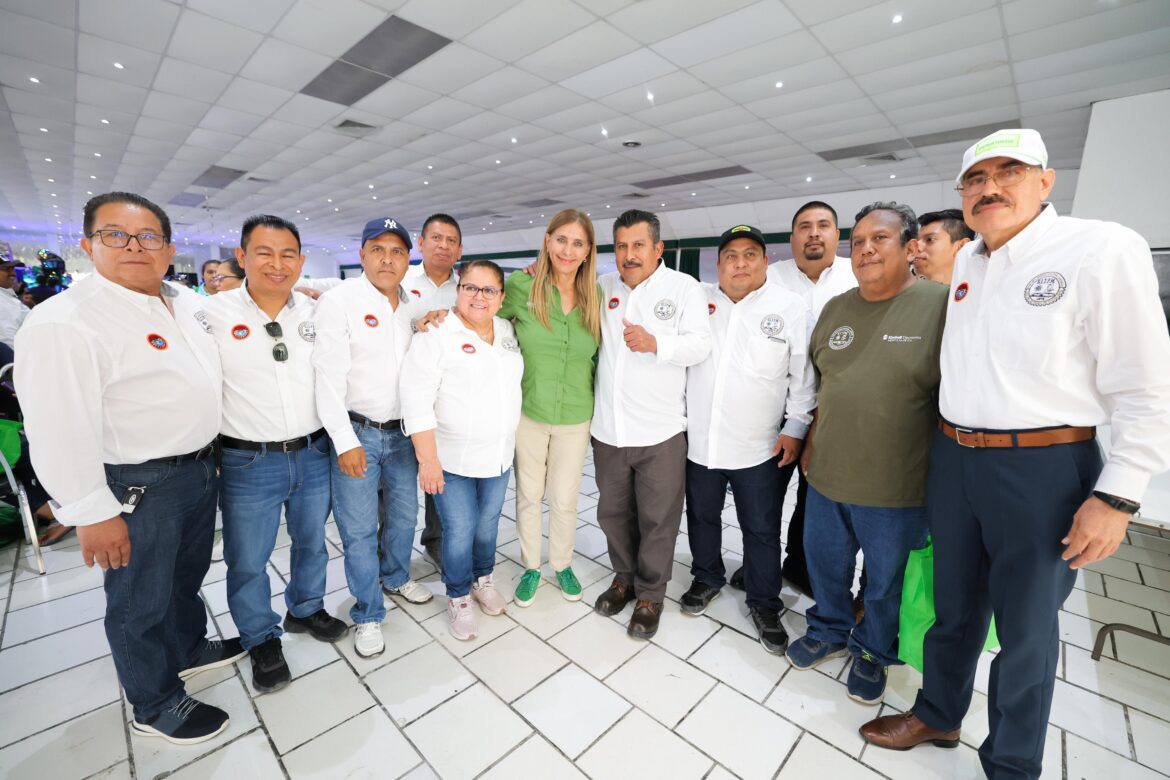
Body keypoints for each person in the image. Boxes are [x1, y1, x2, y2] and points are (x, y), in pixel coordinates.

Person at [861, 128, 1170, 780]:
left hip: (1043, 470)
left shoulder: (1099, 248)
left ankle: (1011, 764)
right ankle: (939, 713)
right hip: (956, 461)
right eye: (975, 179)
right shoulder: (970, 263)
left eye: (1010, 171)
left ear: (1045, 181)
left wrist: (1116, 496)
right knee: (954, 610)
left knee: (1026, 634)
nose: (990, 187)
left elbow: (1147, 387)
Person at [15, 192, 243, 744]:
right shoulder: (63, 321)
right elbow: (56, 424)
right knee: (138, 598)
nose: (134, 247)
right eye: (116, 235)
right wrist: (91, 510)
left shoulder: (183, 300)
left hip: (194, 468)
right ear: (88, 244)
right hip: (136, 484)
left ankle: (187, 647)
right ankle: (154, 700)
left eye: (149, 238)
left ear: (168, 248)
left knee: (184, 579)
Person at [785, 202, 947, 706]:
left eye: (880, 239)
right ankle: (829, 629)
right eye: (858, 243)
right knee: (825, 566)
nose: (866, 250)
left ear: (909, 247)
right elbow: (823, 386)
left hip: (897, 487)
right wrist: (810, 443)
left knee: (884, 583)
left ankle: (875, 651)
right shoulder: (838, 308)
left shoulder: (939, 307)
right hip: (828, 476)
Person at [204, 215, 346, 694]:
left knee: (312, 541)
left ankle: (305, 608)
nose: (277, 263)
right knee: (248, 557)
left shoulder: (315, 313)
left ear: (302, 261)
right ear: (242, 257)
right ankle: (260, 636)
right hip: (248, 460)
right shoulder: (212, 315)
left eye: (288, 254)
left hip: (312, 451)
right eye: (264, 252)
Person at [681, 224, 815, 654]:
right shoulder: (698, 301)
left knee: (760, 529)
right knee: (701, 518)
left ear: (765, 260)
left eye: (750, 254)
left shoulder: (790, 308)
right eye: (731, 256)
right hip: (702, 443)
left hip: (759, 446)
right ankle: (706, 578)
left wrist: (795, 429)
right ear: (718, 264)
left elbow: (804, 378)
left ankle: (763, 601)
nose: (740, 263)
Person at [312, 217, 432, 659]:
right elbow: (326, 380)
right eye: (377, 249)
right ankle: (367, 611)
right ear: (361, 254)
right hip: (358, 431)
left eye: (397, 250)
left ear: (407, 258)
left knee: (403, 518)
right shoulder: (339, 301)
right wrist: (344, 441)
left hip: (402, 435)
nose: (387, 258)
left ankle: (396, 576)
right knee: (359, 531)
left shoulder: (413, 303)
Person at [592, 209, 712, 639]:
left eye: (638, 245)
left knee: (659, 518)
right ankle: (623, 579)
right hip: (608, 431)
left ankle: (650, 595)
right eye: (621, 246)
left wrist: (656, 342)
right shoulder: (604, 286)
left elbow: (700, 344)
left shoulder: (684, 288)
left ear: (658, 248)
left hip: (660, 432)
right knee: (612, 514)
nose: (629, 255)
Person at [401, 260, 522, 640]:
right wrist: (428, 460)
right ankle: (458, 596)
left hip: (499, 455)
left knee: (487, 526)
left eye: (488, 290)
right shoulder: (436, 334)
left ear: (501, 297)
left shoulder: (506, 331)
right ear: (458, 291)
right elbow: (415, 400)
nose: (479, 297)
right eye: (470, 287)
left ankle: (481, 580)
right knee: (458, 530)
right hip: (450, 459)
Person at [751, 202, 858, 598]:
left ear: (836, 234)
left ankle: (801, 568)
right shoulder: (770, 277)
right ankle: (759, 565)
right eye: (804, 227)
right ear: (792, 237)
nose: (814, 233)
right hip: (776, 407)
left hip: (835, 408)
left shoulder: (855, 274)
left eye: (823, 226)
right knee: (763, 497)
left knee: (817, 500)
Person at [497, 209, 601, 606]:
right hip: (530, 412)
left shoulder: (598, 296)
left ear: (588, 250)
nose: (568, 250)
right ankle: (530, 567)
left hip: (576, 415)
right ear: (547, 240)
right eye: (561, 240)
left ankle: (562, 563)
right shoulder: (522, 287)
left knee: (564, 498)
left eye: (577, 243)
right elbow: (483, 316)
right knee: (529, 495)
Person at [407, 213, 464, 574]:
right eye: (436, 238)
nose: (443, 245)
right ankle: (391, 557)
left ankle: (437, 542)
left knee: (439, 480)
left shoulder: (467, 288)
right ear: (421, 242)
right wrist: (416, 323)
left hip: (447, 405)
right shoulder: (400, 281)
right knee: (396, 491)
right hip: (401, 402)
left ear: (460, 248)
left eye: (451, 240)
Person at [911, 209, 974, 284]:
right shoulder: (906, 292)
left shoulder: (981, 290)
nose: (915, 247)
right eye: (916, 240)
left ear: (961, 247)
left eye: (929, 239)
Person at [0, 259, 29, 350]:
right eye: (7, 269)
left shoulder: (5, 295)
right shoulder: (2, 300)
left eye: (12, 269)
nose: (14, 273)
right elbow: (9, 341)